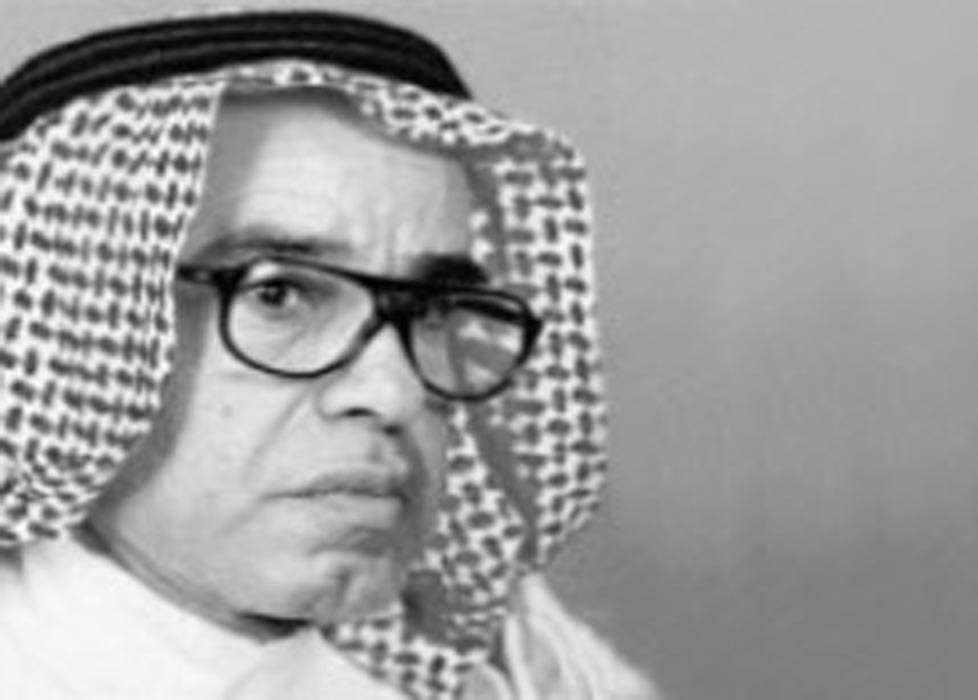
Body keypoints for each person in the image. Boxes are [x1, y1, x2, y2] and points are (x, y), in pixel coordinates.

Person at [0, 9, 656, 699]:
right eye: (278, 294)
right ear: (68, 331)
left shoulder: (507, 676)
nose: (396, 393)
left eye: (433, 310)